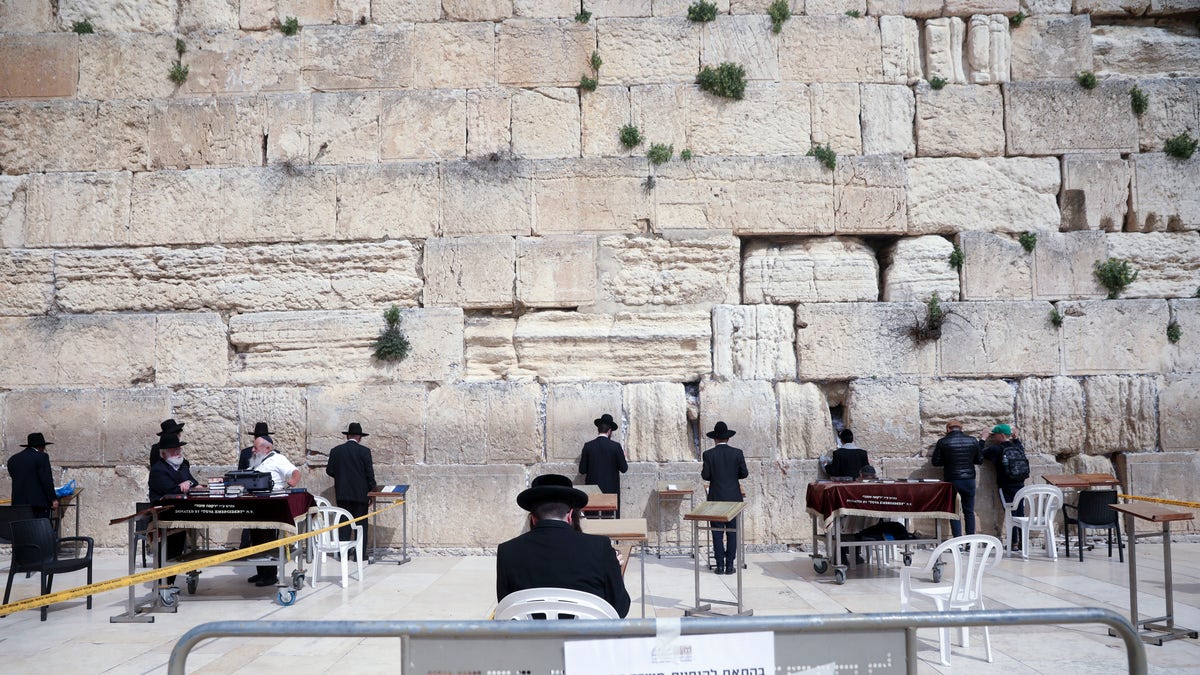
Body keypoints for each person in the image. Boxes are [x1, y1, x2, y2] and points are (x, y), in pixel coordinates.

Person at [496, 474, 630, 617]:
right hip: (586, 638)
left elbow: (506, 610)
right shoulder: (600, 547)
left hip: (532, 639)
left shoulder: (507, 552)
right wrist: (615, 569)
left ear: (533, 518)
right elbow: (620, 608)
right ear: (570, 515)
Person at [245, 435, 301, 587]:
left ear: (267, 448)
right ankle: (261, 572)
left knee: (267, 539)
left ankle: (270, 575)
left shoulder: (278, 459)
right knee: (256, 538)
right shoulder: (256, 462)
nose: (252, 450)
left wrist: (293, 481)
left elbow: (295, 472)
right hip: (257, 504)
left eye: (256, 448)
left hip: (271, 505)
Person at [147, 434, 197, 586]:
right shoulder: (158, 470)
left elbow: (192, 481)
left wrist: (188, 483)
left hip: (180, 516)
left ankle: (168, 583)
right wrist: (183, 486)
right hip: (164, 518)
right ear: (164, 454)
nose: (178, 453)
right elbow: (168, 489)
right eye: (174, 450)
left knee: (176, 551)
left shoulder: (182, 466)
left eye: (179, 449)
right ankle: (163, 585)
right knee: (167, 553)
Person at [701, 421, 748, 575]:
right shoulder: (737, 453)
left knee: (717, 531)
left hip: (716, 498)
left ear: (715, 439)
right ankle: (730, 565)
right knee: (732, 531)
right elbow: (744, 474)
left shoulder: (708, 455)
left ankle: (719, 566)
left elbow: (705, 476)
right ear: (728, 438)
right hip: (734, 497)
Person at [325, 422, 376, 549]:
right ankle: (360, 554)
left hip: (342, 494)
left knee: (344, 524)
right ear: (360, 437)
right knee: (361, 524)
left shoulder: (336, 451)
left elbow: (329, 470)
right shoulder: (364, 451)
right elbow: (369, 473)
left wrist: (342, 477)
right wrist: (372, 491)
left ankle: (344, 552)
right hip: (361, 494)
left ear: (347, 436)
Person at [932, 420, 984, 538]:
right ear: (961, 428)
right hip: (969, 479)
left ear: (948, 429)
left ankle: (957, 540)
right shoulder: (972, 441)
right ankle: (970, 541)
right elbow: (979, 460)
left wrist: (948, 460)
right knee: (969, 511)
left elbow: (935, 462)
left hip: (952, 480)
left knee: (954, 512)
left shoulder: (943, 442)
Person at [983, 424, 1029, 551]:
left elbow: (980, 454)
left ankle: (1013, 542)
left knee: (1010, 513)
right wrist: (1016, 437)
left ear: (1001, 435)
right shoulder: (1018, 447)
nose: (993, 437)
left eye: (994, 435)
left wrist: (983, 439)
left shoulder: (996, 449)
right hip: (1020, 485)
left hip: (1005, 485)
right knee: (1020, 513)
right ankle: (1022, 542)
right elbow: (1020, 447)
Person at [578, 413, 628, 517]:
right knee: (610, 521)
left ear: (598, 429)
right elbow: (624, 468)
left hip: (593, 493)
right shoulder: (616, 447)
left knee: (593, 520)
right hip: (611, 494)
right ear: (609, 431)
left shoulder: (588, 446)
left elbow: (582, 470)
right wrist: (622, 457)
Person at [7, 432, 57, 519]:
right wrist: (53, 499)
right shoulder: (42, 457)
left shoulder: (13, 459)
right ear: (41, 446)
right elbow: (46, 480)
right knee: (39, 531)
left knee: (22, 530)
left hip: (18, 504)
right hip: (38, 505)